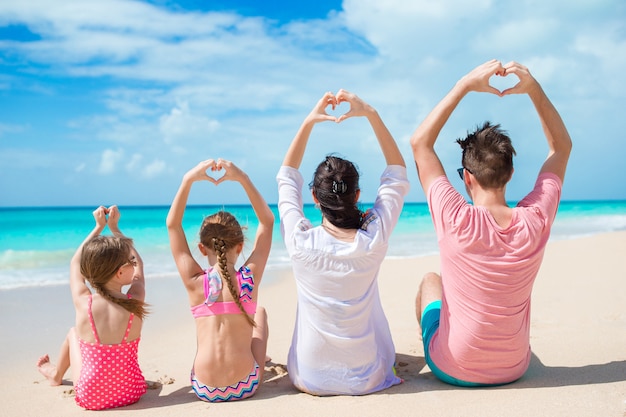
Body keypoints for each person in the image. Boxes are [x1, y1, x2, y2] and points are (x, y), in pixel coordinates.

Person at [410, 60, 572, 386]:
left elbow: (420, 143)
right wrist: (533, 89)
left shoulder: (455, 218)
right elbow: (561, 147)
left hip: (452, 368)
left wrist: (465, 85)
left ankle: (438, 345)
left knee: (430, 281)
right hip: (514, 368)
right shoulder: (536, 219)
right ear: (511, 173)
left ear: (467, 177)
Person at [276, 89, 410, 396]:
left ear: (314, 197)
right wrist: (371, 114)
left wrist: (309, 121)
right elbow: (396, 177)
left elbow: (286, 178)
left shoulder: (300, 242)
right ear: (357, 196)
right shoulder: (372, 237)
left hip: (309, 378)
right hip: (366, 378)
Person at [166, 158, 273, 402]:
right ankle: (259, 359)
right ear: (240, 245)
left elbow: (173, 225)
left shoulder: (195, 282)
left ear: (202, 249)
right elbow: (267, 222)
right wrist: (242, 178)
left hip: (204, 388)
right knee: (261, 313)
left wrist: (188, 179)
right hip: (245, 385)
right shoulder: (248, 279)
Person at [36, 205, 148, 410]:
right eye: (129, 263)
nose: (133, 264)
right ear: (120, 273)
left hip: (92, 397)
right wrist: (115, 229)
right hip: (132, 392)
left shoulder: (84, 303)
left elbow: (74, 263)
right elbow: (139, 263)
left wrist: (97, 228)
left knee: (73, 332)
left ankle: (55, 375)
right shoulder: (135, 300)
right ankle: (56, 374)